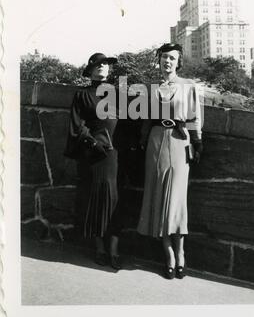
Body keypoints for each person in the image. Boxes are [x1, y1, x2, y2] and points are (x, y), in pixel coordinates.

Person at [137, 43, 203, 279]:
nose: (168, 61)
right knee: (158, 195)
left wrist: (197, 143)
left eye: (172, 58)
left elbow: (195, 118)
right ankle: (169, 256)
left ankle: (181, 253)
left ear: (179, 62)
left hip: (179, 140)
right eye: (164, 57)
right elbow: (145, 120)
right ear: (160, 60)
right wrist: (142, 142)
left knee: (176, 199)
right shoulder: (150, 87)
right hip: (155, 142)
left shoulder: (189, 86)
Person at [64, 52, 121, 270]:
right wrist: (92, 143)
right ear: (90, 70)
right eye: (98, 64)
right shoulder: (83, 95)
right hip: (96, 153)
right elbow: (77, 125)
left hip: (118, 153)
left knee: (117, 198)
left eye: (105, 64)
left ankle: (114, 248)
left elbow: (130, 120)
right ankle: (100, 248)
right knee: (97, 197)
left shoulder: (119, 93)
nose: (102, 67)